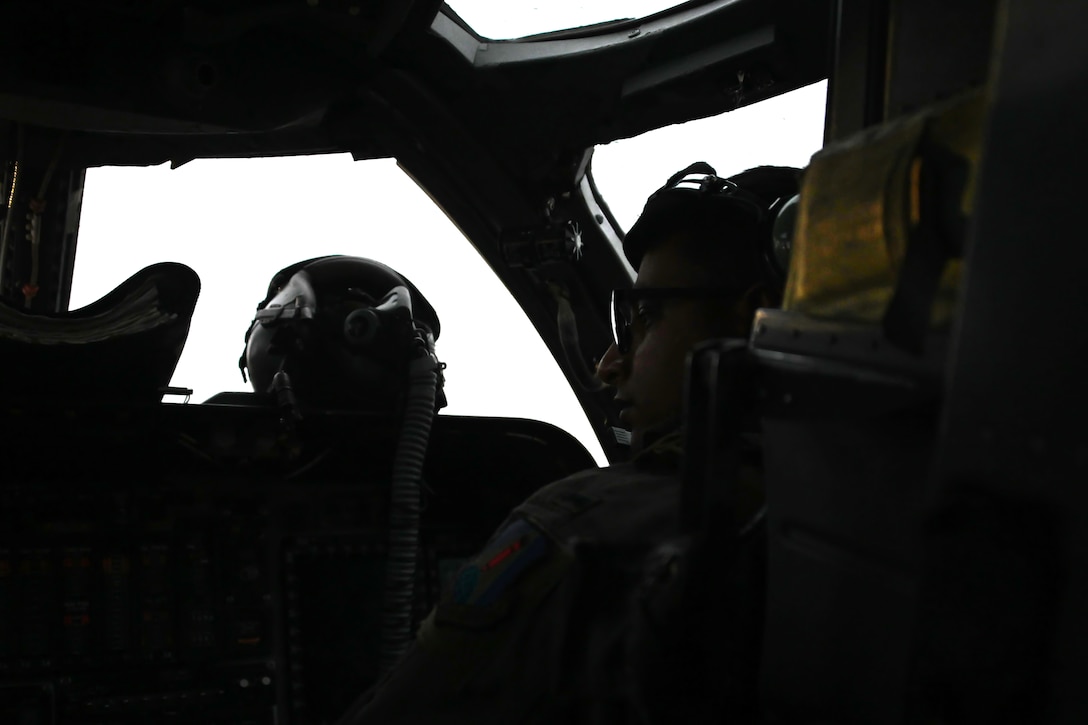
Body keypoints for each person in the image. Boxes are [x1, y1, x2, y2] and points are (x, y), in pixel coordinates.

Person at [335, 162, 801, 724]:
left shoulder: (585, 527)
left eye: (647, 316)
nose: (608, 366)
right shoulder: (873, 499)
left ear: (757, 321)